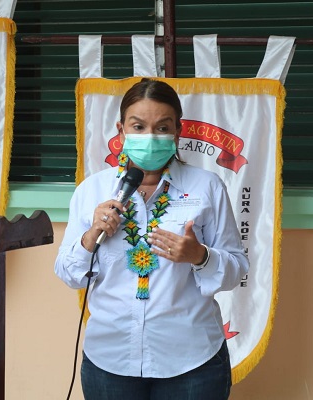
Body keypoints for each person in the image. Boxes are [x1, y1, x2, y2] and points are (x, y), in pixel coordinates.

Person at [54, 78, 249, 400]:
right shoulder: (92, 190)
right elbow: (68, 274)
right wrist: (90, 236)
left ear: (178, 130)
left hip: (191, 358)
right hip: (110, 357)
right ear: (121, 130)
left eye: (162, 127)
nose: (150, 136)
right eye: (139, 126)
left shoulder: (207, 187)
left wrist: (200, 256)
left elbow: (236, 269)